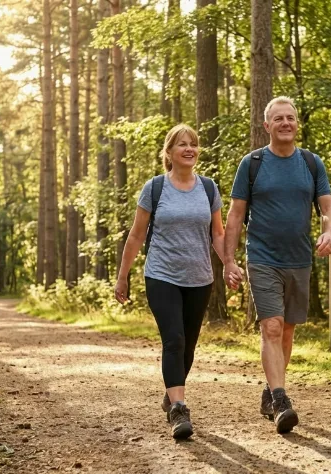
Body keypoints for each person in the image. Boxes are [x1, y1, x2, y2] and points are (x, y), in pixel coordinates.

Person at [223, 96, 331, 434]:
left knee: (287, 330)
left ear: (297, 123)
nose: (286, 123)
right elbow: (235, 215)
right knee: (271, 327)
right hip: (262, 257)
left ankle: (270, 392)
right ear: (267, 125)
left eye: (290, 118)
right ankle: (281, 400)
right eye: (279, 119)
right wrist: (229, 261)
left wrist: (329, 232)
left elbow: (329, 208)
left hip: (299, 258)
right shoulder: (253, 163)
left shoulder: (311, 162)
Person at [114, 124, 227, 440]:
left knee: (188, 345)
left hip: (200, 277)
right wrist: (122, 277)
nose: (189, 148)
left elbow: (217, 234)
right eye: (181, 144)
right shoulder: (155, 188)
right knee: (174, 339)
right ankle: (179, 408)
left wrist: (230, 262)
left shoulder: (208, 188)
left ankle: (171, 390)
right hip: (161, 275)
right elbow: (137, 235)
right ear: (169, 152)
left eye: (193, 144)